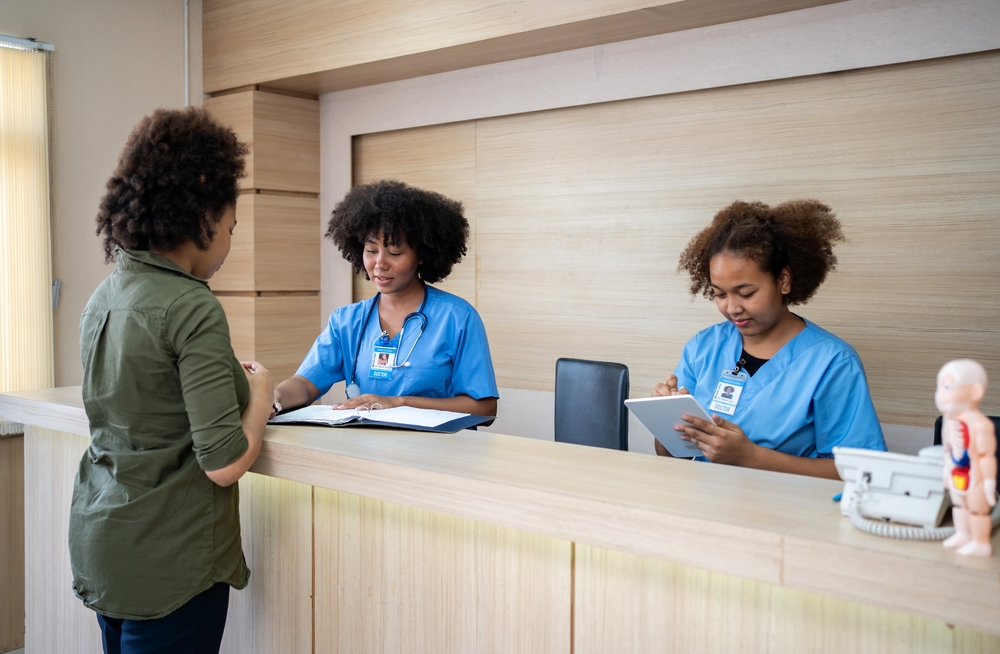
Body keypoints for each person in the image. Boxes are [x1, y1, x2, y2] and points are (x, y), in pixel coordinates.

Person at [71, 107, 272, 654]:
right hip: (170, 559)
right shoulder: (191, 306)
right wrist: (259, 397)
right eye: (231, 228)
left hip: (105, 540)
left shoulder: (104, 296)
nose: (229, 245)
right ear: (203, 218)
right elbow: (224, 463)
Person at [652, 200, 886, 479]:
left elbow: (862, 471)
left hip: (787, 514)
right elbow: (672, 454)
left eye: (747, 293)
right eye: (720, 294)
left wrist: (750, 457)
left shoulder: (832, 362)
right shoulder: (704, 347)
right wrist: (666, 419)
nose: (732, 308)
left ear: (783, 280)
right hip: (704, 504)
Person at [273, 180, 498, 418]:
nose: (379, 264)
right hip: (364, 448)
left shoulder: (457, 318)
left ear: (421, 255)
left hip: (436, 450)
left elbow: (484, 408)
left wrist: (399, 402)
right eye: (371, 251)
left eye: (395, 253)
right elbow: (306, 384)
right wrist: (274, 399)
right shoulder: (347, 321)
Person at [936, 359, 997, 557]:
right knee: (959, 504)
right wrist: (947, 468)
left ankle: (980, 543)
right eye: (940, 386)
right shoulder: (949, 420)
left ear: (975, 392)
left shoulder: (980, 424)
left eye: (948, 387)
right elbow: (947, 448)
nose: (941, 394)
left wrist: (988, 481)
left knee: (977, 509)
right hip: (956, 471)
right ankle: (962, 534)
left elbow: (987, 455)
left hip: (976, 476)